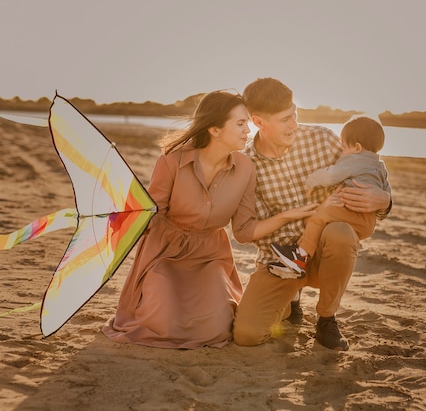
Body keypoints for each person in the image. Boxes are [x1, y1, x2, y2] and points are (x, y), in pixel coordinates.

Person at [102, 90, 316, 349]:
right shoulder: (171, 161)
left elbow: (244, 231)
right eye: (239, 124)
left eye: (247, 123)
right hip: (165, 252)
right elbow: (152, 216)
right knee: (162, 323)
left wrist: (287, 216)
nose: (247, 131)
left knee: (217, 329)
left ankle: (280, 307)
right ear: (215, 130)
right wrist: (128, 215)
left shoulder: (246, 168)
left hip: (210, 255)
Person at [233, 78, 392, 351]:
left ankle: (326, 319)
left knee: (340, 232)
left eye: (295, 113)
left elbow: (371, 170)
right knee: (246, 335)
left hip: (326, 253)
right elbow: (248, 230)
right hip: (282, 260)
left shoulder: (323, 139)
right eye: (285, 119)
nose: (294, 124)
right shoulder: (246, 164)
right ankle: (290, 299)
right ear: (258, 122)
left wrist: (385, 201)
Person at [270, 116, 392, 276]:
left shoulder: (355, 159)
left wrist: (311, 181)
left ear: (356, 147)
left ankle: (300, 256)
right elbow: (386, 194)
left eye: (344, 148)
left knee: (319, 216)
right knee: (324, 220)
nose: (342, 152)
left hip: (353, 213)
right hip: (368, 223)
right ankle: (297, 257)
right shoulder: (380, 167)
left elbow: (331, 175)